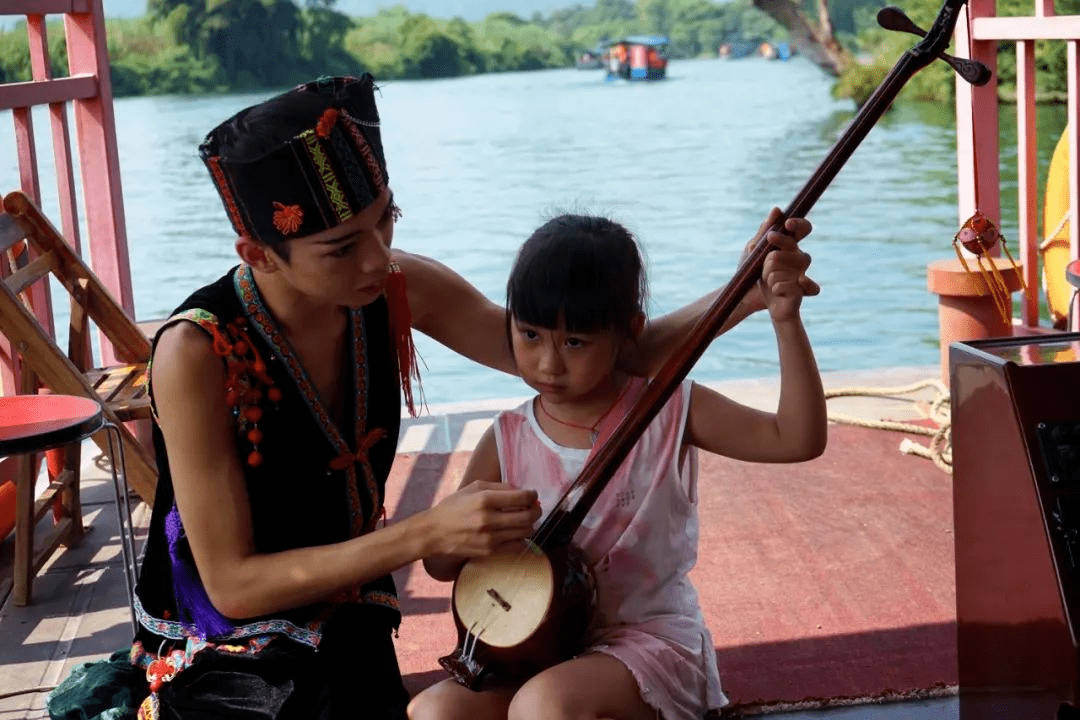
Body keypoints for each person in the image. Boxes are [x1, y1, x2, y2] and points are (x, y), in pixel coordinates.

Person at [88, 74, 815, 720]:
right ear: (258, 255)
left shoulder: (395, 285)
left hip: (346, 615)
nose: (379, 257)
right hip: (229, 643)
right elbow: (235, 585)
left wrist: (737, 297)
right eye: (342, 247)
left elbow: (573, 361)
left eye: (386, 220)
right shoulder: (195, 353)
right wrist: (425, 536)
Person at [409, 213, 828, 720]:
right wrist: (473, 536)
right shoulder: (506, 439)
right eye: (530, 334)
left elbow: (796, 438)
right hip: (531, 648)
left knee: (543, 707)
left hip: (648, 645)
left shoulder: (670, 409)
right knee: (435, 712)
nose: (548, 363)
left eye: (575, 342)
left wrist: (784, 319)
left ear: (629, 331)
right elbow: (439, 565)